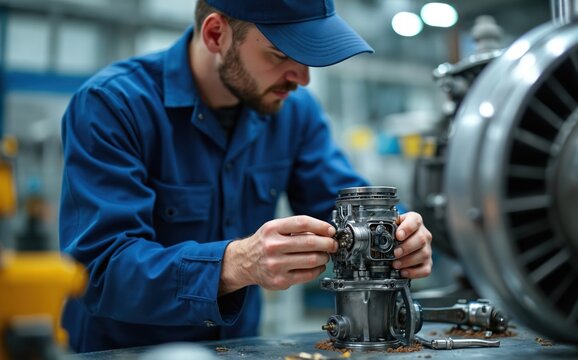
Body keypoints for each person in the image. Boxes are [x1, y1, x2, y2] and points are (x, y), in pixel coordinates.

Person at [59, 0, 433, 353]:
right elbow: (100, 270)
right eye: (281, 55)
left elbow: (339, 203)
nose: (301, 78)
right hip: (124, 352)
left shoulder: (294, 112)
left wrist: (399, 231)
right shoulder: (113, 105)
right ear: (216, 35)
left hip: (237, 350)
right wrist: (235, 263)